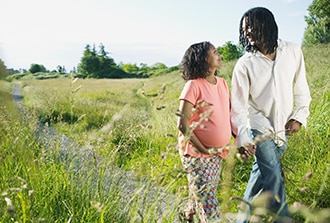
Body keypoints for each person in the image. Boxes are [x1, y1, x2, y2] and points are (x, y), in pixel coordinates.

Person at [230, 7, 312, 223]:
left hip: (282, 129)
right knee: (274, 177)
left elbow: (302, 89)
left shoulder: (293, 51)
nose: (247, 32)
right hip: (258, 126)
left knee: (260, 177)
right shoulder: (244, 64)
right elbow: (238, 107)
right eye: (244, 29)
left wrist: (299, 117)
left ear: (266, 25)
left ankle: (242, 220)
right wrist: (244, 137)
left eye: (251, 26)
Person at [176, 41, 232, 222]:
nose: (220, 55)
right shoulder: (193, 85)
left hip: (218, 152)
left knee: (203, 192)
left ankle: (188, 215)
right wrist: (202, 149)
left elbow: (227, 114)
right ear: (202, 59)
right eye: (215, 52)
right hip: (196, 153)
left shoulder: (222, 83)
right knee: (208, 200)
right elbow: (182, 124)